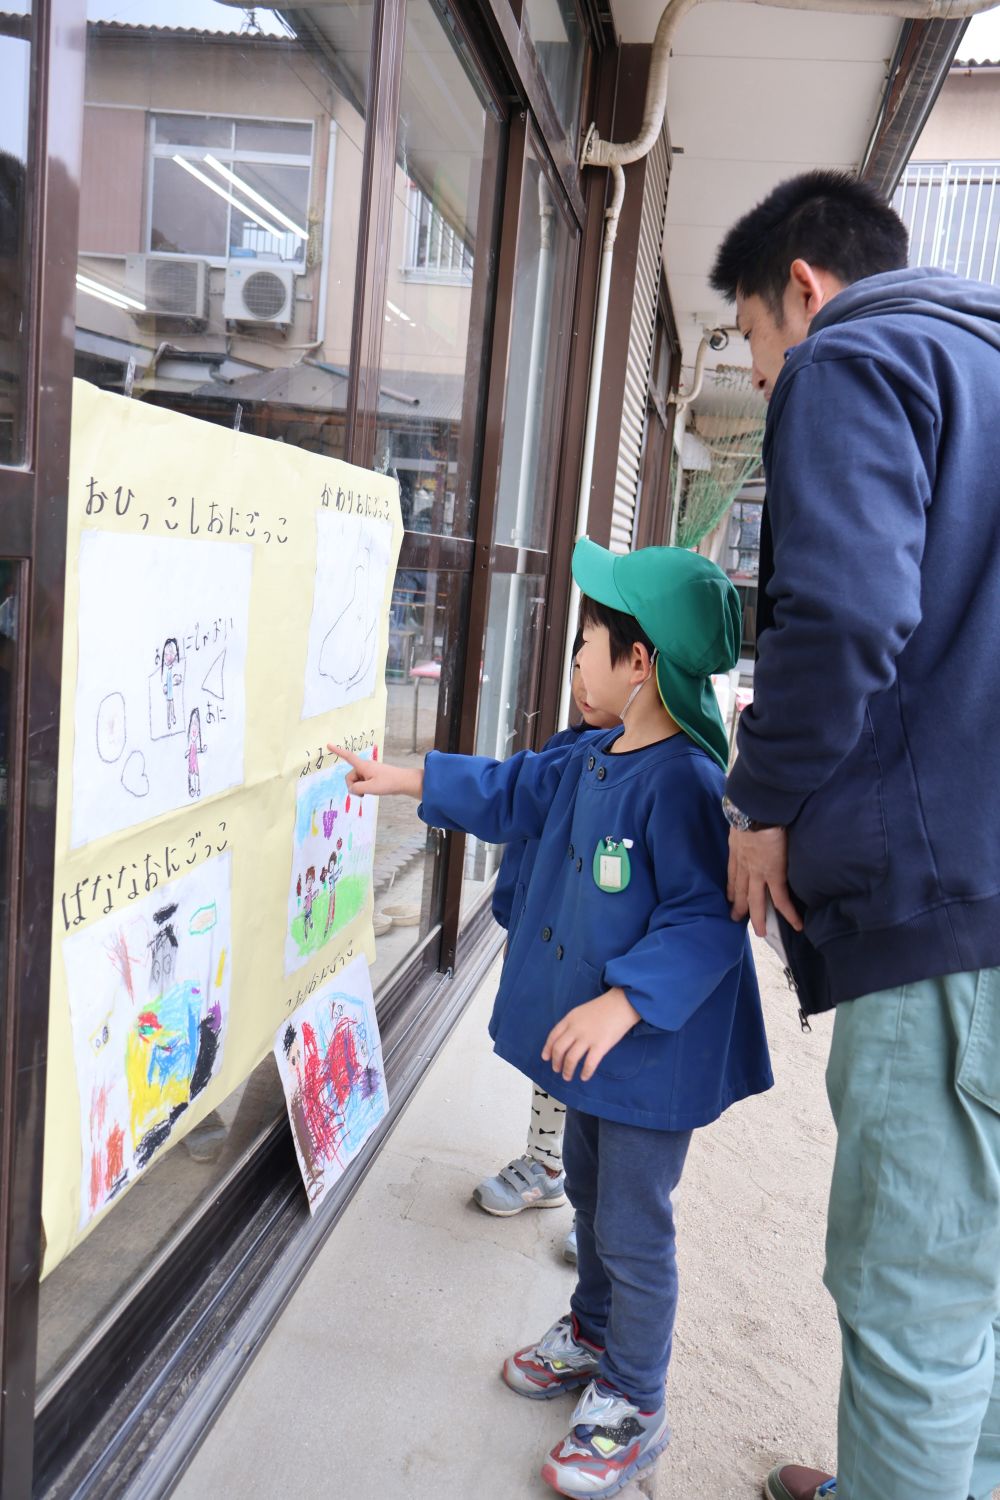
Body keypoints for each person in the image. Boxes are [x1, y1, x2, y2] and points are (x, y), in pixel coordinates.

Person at [332, 538, 771, 1499]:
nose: (572, 662)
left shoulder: (686, 785)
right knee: (583, 1184)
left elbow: (705, 919)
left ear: (641, 663)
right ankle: (594, 1326)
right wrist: (407, 780)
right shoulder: (590, 756)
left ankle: (634, 1398)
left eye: (586, 645)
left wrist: (623, 1000)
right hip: (595, 1061)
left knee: (633, 1222)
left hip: (650, 1061)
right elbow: (511, 791)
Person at [708, 170, 1000, 1500]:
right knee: (982, 1286)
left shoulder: (856, 358)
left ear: (802, 294)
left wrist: (759, 803)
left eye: (757, 350)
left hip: (953, 923)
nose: (768, 380)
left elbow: (838, 622)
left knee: (916, 1301)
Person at [472, 633, 618, 1270]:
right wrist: (513, 920)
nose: (581, 684)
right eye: (576, 665)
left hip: (606, 962)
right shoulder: (564, 750)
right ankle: (544, 1162)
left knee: (603, 1086)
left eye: (593, 660)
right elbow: (521, 845)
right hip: (551, 942)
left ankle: (601, 1211)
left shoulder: (666, 772)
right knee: (550, 1060)